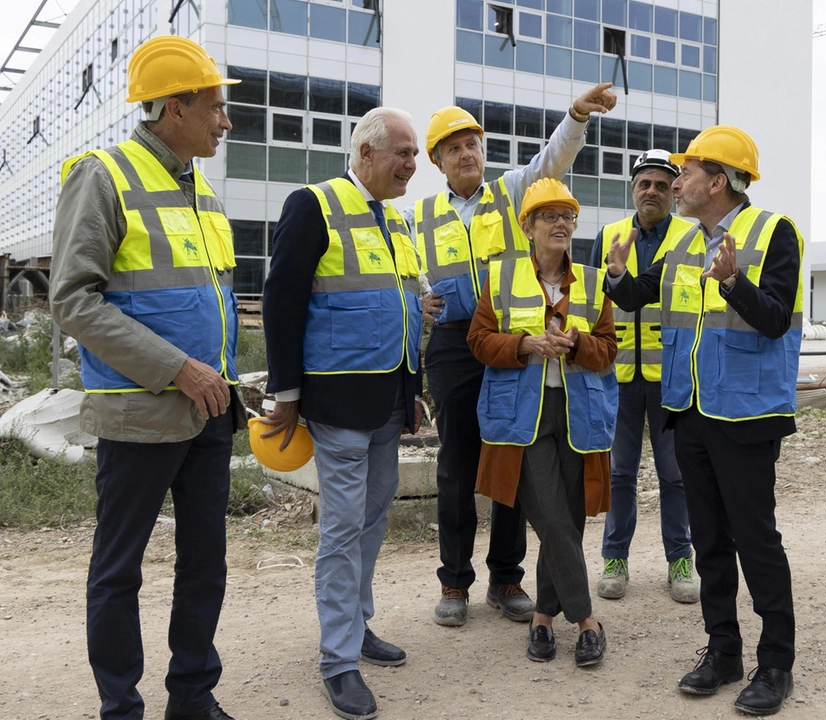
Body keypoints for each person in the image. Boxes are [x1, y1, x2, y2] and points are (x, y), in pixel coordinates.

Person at [49, 35, 243, 720]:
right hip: (140, 413)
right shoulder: (103, 175)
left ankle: (192, 695)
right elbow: (73, 299)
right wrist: (176, 370)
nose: (225, 121)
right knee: (119, 570)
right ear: (173, 107)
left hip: (210, 412)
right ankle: (120, 709)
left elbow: (207, 304)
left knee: (204, 566)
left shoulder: (203, 191)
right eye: (216, 107)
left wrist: (232, 384)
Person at [605, 125, 803, 716]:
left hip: (745, 414)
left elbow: (773, 320)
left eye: (686, 173)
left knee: (756, 540)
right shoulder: (686, 243)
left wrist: (734, 281)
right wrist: (617, 276)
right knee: (711, 542)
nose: (676, 182)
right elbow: (640, 294)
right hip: (688, 412)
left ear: (717, 181)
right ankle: (723, 651)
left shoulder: (774, 233)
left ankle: (776, 664)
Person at [411, 83, 617, 627]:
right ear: (437, 161)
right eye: (454, 148)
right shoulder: (421, 216)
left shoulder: (511, 192)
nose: (467, 153)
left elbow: (556, 157)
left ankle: (507, 578)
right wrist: (417, 300)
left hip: (520, 342)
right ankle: (454, 582)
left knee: (513, 454)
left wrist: (575, 115)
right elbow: (404, 275)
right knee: (457, 465)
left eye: (473, 142)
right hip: (457, 345)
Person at [260, 107, 425, 720]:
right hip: (337, 399)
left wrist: (420, 311)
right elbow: (283, 299)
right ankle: (338, 660)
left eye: (413, 154)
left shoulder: (396, 220)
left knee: (374, 517)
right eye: (403, 153)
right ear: (365, 154)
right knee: (342, 526)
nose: (413, 164)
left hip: (388, 396)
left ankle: (357, 627)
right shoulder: (315, 204)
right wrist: (286, 391)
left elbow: (394, 296)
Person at [467, 178, 618, 666]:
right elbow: (479, 340)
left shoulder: (593, 282)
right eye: (549, 216)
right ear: (527, 226)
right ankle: (587, 621)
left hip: (579, 415)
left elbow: (609, 351)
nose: (560, 224)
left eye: (567, 216)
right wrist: (525, 344)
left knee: (567, 522)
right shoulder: (503, 276)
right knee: (553, 518)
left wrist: (577, 344)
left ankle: (543, 619)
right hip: (523, 417)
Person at [587, 149, 698, 603]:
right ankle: (615, 557)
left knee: (675, 475)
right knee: (619, 473)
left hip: (672, 375)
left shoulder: (694, 237)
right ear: (632, 189)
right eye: (643, 184)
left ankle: (680, 559)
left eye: (660, 184)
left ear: (675, 191)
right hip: (620, 376)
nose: (651, 191)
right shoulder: (610, 235)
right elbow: (592, 301)